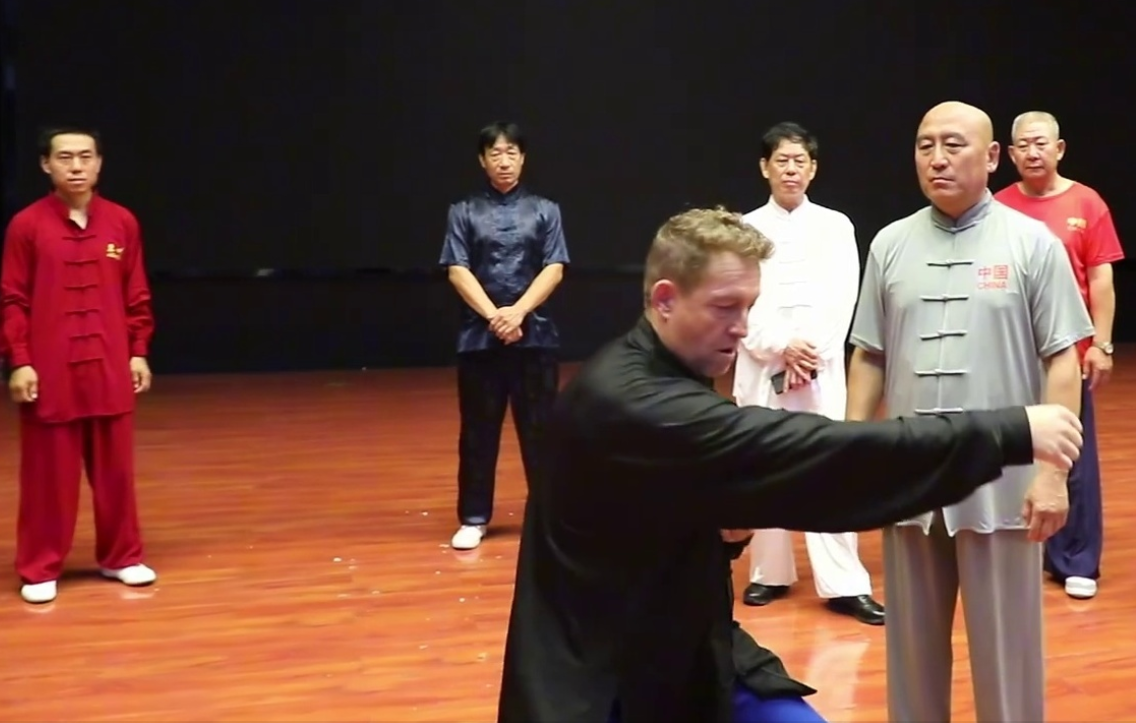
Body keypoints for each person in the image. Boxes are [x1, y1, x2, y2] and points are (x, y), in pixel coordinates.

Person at [495, 207, 1087, 723]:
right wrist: (1008, 431)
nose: (743, 327)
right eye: (725, 307)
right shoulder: (634, 401)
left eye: (750, 307)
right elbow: (823, 457)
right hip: (601, 680)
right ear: (665, 299)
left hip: (681, 646)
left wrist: (722, 531)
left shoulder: (664, 370)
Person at [847, 101, 1095, 722]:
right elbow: (869, 355)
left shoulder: (1032, 243)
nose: (937, 158)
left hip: (1002, 485)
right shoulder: (890, 244)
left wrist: (1053, 474)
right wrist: (847, 455)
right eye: (925, 145)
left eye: (953, 145)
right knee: (910, 655)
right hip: (909, 480)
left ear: (991, 157)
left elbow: (1063, 363)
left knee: (1007, 657)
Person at [0, 127, 158, 605]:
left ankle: (121, 556)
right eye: (65, 157)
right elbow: (12, 299)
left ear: (100, 162)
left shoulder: (122, 223)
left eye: (86, 156)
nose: (77, 166)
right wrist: (20, 361)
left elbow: (136, 293)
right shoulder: (26, 226)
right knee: (48, 479)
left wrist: (138, 351)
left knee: (116, 474)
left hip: (108, 366)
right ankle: (40, 566)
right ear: (46, 165)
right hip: (51, 371)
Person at [732, 122, 885, 626]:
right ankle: (769, 572)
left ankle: (844, 583)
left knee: (830, 469)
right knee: (763, 465)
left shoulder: (836, 226)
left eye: (800, 161)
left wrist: (810, 351)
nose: (791, 170)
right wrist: (780, 347)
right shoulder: (744, 228)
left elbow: (845, 295)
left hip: (820, 366)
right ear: (764, 167)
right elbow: (741, 300)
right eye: (782, 160)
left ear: (813, 169)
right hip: (763, 364)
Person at [992, 109, 1123, 600]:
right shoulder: (998, 205)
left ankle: (1077, 559)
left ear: (1059, 148)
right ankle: (1014, 550)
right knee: (1009, 452)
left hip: (1068, 351)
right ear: (1010, 154)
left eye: (1041, 143)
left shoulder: (1087, 203)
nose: (1033, 152)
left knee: (1072, 455)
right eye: (1023, 145)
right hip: (1010, 350)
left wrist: (1102, 344)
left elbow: (1101, 279)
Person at [438, 121, 569, 551]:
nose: (504, 161)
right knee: (478, 431)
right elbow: (457, 269)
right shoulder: (463, 211)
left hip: (535, 335)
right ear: (482, 160)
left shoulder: (546, 210)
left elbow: (554, 267)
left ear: (523, 158)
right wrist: (496, 316)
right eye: (495, 153)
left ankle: (548, 516)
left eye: (511, 152)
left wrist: (518, 312)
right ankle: (473, 518)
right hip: (480, 338)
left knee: (541, 431)